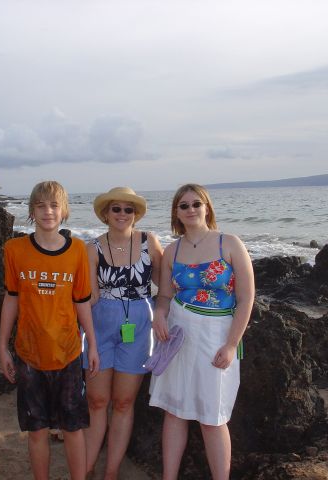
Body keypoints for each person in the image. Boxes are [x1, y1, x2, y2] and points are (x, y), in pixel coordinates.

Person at [149, 183, 255, 480]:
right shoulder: (172, 251)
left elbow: (246, 298)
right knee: (174, 411)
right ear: (176, 213)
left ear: (207, 207)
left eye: (196, 203)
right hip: (178, 336)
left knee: (212, 416)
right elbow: (165, 295)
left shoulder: (229, 243)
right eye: (183, 205)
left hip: (216, 336)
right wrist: (159, 314)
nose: (191, 209)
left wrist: (231, 344)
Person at [0, 180, 99, 480]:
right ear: (32, 211)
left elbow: (82, 302)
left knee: (73, 428)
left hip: (68, 353)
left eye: (54, 205)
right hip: (29, 354)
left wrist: (93, 345)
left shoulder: (77, 250)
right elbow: (11, 298)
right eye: (40, 206)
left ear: (64, 210)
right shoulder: (14, 249)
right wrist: (2, 346)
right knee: (37, 430)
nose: (48, 211)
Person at [82, 186, 163, 479]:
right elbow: (89, 297)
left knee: (124, 402)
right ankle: (87, 467)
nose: (122, 214)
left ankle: (111, 471)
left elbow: (165, 283)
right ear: (106, 213)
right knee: (97, 402)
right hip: (100, 324)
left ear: (136, 214)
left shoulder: (148, 241)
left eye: (129, 209)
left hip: (139, 325)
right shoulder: (92, 248)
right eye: (116, 208)